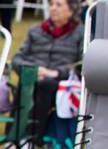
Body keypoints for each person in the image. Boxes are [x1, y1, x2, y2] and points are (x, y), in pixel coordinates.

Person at [11, 0, 83, 141]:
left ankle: (33, 138)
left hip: (62, 82)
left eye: (58, 5)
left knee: (45, 85)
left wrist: (56, 73)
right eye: (51, 4)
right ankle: (14, 133)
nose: (53, 8)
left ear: (71, 10)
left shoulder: (80, 33)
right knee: (28, 81)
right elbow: (17, 58)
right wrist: (33, 70)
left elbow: (82, 64)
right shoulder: (36, 30)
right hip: (35, 75)